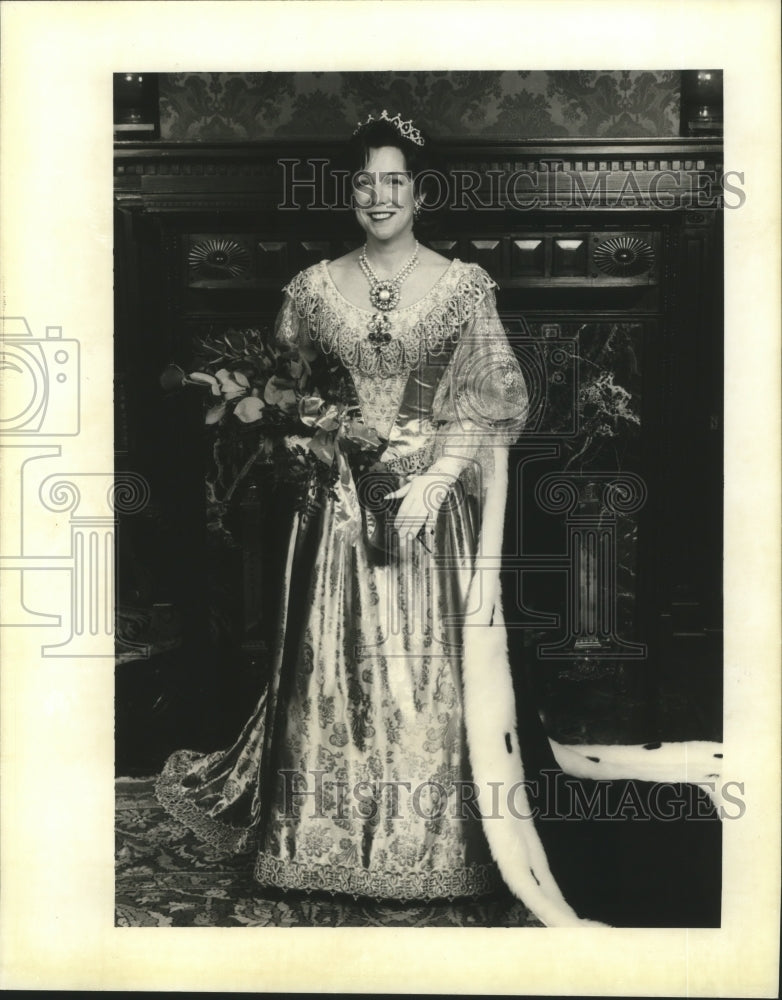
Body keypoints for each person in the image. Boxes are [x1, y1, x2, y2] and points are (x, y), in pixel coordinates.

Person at [155, 111, 723, 927]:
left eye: (394, 182)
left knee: (425, 680)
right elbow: (287, 399)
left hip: (429, 516)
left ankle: (437, 844)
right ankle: (323, 843)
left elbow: (495, 404)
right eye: (363, 183)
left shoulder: (461, 287)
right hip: (341, 519)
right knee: (338, 675)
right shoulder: (312, 289)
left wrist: (435, 478)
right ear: (347, 193)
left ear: (419, 192)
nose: (378, 196)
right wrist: (320, 455)